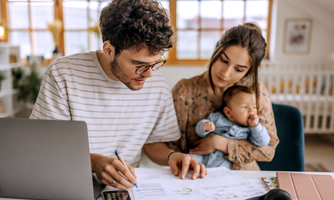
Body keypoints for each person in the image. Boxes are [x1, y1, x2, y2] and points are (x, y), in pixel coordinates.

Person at [30, 0, 206, 190]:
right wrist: (94, 162)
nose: (149, 74)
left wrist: (172, 156)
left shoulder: (158, 85)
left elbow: (153, 144)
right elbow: (44, 148)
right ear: (109, 50)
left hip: (125, 190)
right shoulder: (63, 74)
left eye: (155, 63)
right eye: (139, 65)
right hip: (67, 185)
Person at [168, 22, 280, 170]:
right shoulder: (184, 91)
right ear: (216, 50)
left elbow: (268, 151)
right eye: (224, 60)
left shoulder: (256, 92)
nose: (225, 73)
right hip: (196, 176)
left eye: (239, 69)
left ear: (248, 71)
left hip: (245, 180)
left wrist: (219, 143)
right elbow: (168, 147)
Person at [191, 85, 270, 169]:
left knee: (222, 170)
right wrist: (204, 126)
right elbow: (200, 132)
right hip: (205, 155)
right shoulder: (217, 118)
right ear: (228, 112)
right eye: (245, 107)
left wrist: (255, 126)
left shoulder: (250, 130)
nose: (252, 110)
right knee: (191, 159)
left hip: (225, 160)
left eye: (254, 107)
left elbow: (263, 142)